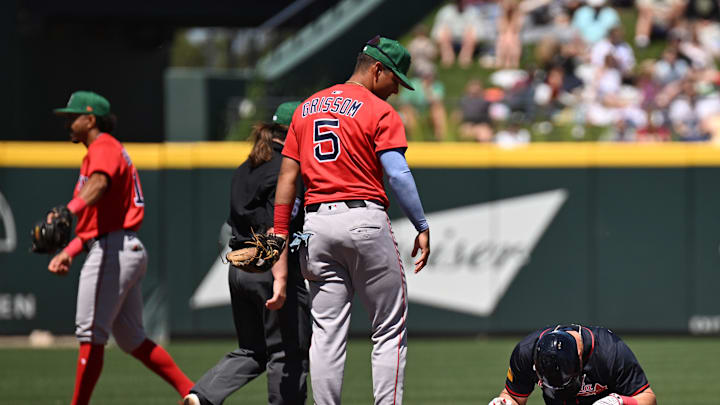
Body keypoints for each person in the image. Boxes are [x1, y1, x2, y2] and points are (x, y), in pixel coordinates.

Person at [272, 35, 431, 404]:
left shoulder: (306, 107)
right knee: (389, 329)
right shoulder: (379, 110)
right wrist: (421, 224)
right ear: (377, 69)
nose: (396, 90)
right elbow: (397, 174)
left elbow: (287, 180)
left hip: (316, 227)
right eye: (395, 80)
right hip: (363, 218)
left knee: (326, 331)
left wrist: (281, 235)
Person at [49, 91, 194, 405]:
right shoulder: (103, 150)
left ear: (91, 119)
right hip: (120, 246)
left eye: (72, 116)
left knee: (90, 334)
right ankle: (192, 392)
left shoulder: (104, 146)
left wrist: (67, 210)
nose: (68, 123)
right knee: (131, 339)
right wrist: (69, 252)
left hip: (113, 251)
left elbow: (99, 185)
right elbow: (98, 221)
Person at [183, 102, 311, 405]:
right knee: (288, 351)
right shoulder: (286, 169)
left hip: (240, 268)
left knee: (252, 350)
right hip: (270, 267)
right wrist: (280, 279)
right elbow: (276, 229)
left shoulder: (248, 166)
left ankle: (202, 397)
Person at [487, 324, 657, 405]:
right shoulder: (525, 352)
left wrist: (619, 402)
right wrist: (505, 402)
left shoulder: (611, 351)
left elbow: (648, 398)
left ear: (579, 359)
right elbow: (514, 397)